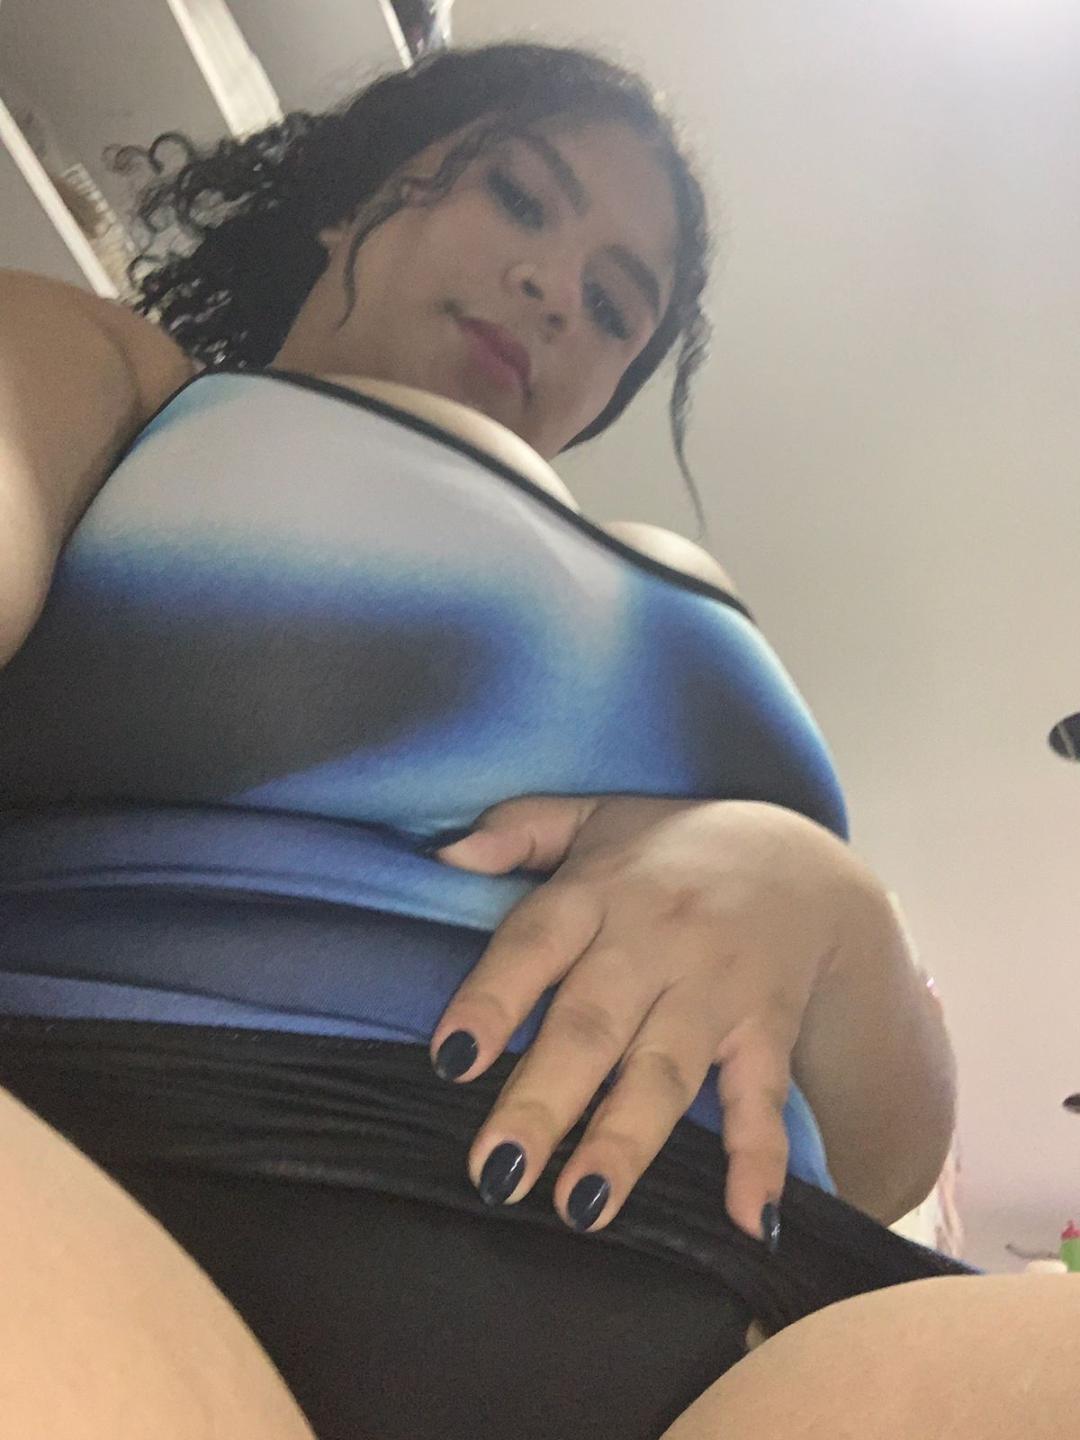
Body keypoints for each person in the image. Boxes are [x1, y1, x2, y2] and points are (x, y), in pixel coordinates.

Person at [3, 37, 1056, 1440]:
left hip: (760, 1323)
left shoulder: (677, 579)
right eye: (518, 197)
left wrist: (832, 904)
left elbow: (886, 1157)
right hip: (165, 1181)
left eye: (617, 304)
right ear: (352, 203)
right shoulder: (142, 384)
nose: (561, 288)